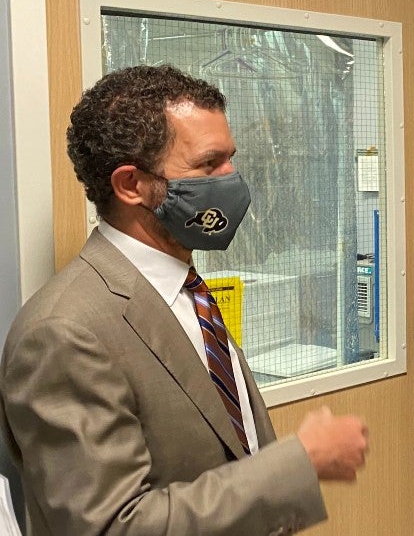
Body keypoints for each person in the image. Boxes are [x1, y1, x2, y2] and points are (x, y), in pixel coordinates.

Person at [0, 65, 369, 535]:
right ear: (131, 185)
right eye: (208, 164)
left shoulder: (188, 290)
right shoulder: (63, 331)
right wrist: (301, 462)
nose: (232, 178)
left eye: (230, 158)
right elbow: (114, 526)